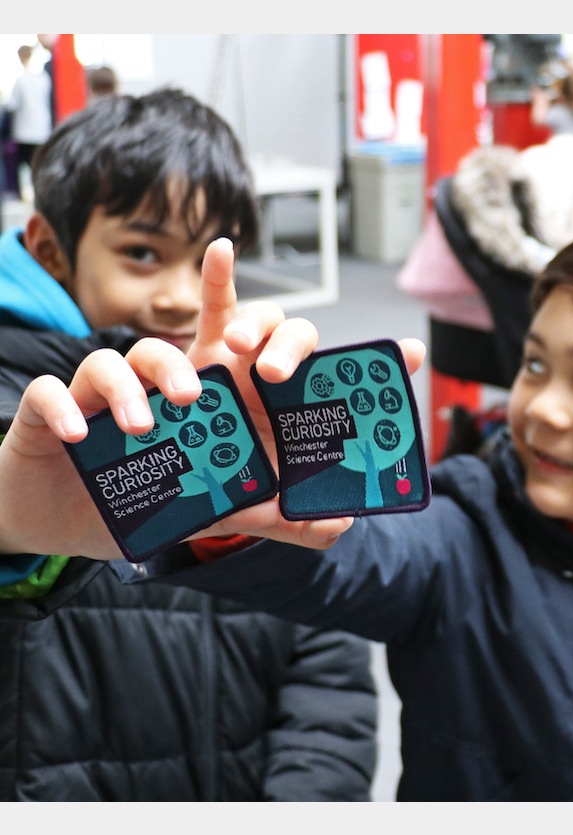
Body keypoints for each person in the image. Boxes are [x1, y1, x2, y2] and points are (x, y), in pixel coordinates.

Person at [100, 211, 573, 801]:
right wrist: (250, 493)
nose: (538, 408)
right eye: (534, 365)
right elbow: (353, 555)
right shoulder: (462, 537)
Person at [0, 88, 377, 801]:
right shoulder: (26, 409)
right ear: (50, 248)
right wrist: (10, 527)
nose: (179, 293)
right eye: (143, 252)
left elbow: (328, 668)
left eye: (207, 257)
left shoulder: (256, 393)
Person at [6, 44, 52, 185]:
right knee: (39, 167)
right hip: (43, 129)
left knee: (26, 169)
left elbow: (12, 105)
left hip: (25, 132)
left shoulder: (21, 80)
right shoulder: (45, 78)